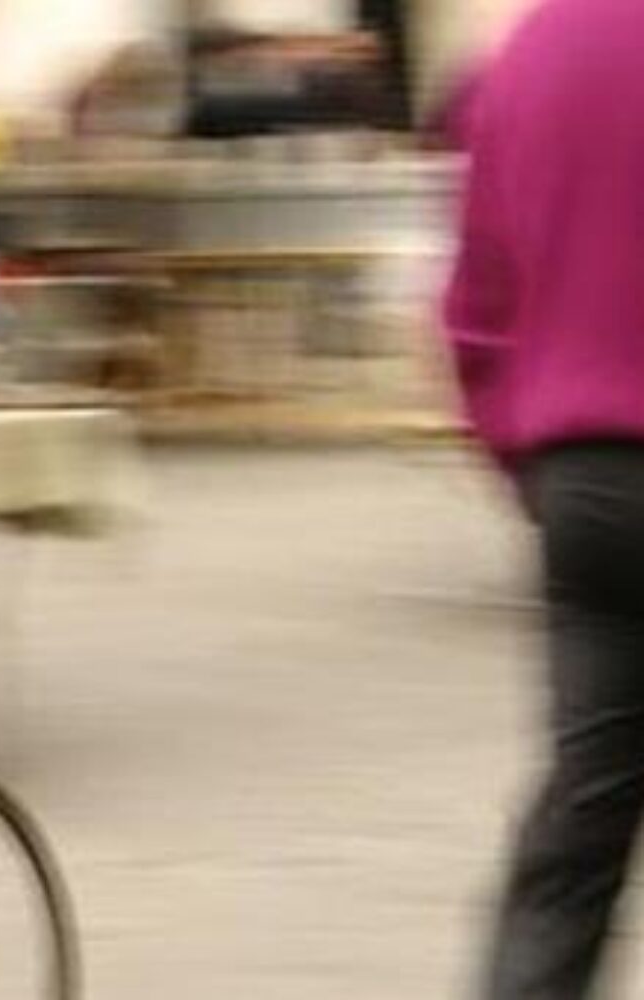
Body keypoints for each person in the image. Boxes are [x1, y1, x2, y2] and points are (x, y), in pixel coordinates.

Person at [445, 1, 644, 996]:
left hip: (588, 480)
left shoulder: (531, 50)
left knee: (580, 819)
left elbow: (474, 311)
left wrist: (533, 462)